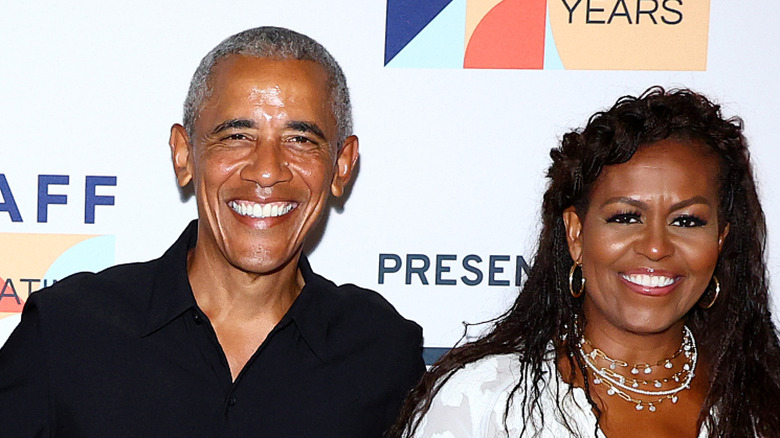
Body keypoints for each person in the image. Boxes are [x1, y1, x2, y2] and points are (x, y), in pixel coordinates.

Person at [0, 26, 425, 437]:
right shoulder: (65, 331)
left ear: (342, 165)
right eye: (237, 135)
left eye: (300, 139)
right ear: (185, 155)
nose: (266, 171)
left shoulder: (383, 353)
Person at [392, 87, 780, 437]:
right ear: (576, 234)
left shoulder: (764, 404)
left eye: (686, 221)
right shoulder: (484, 400)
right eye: (626, 217)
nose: (656, 247)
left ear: (720, 240)